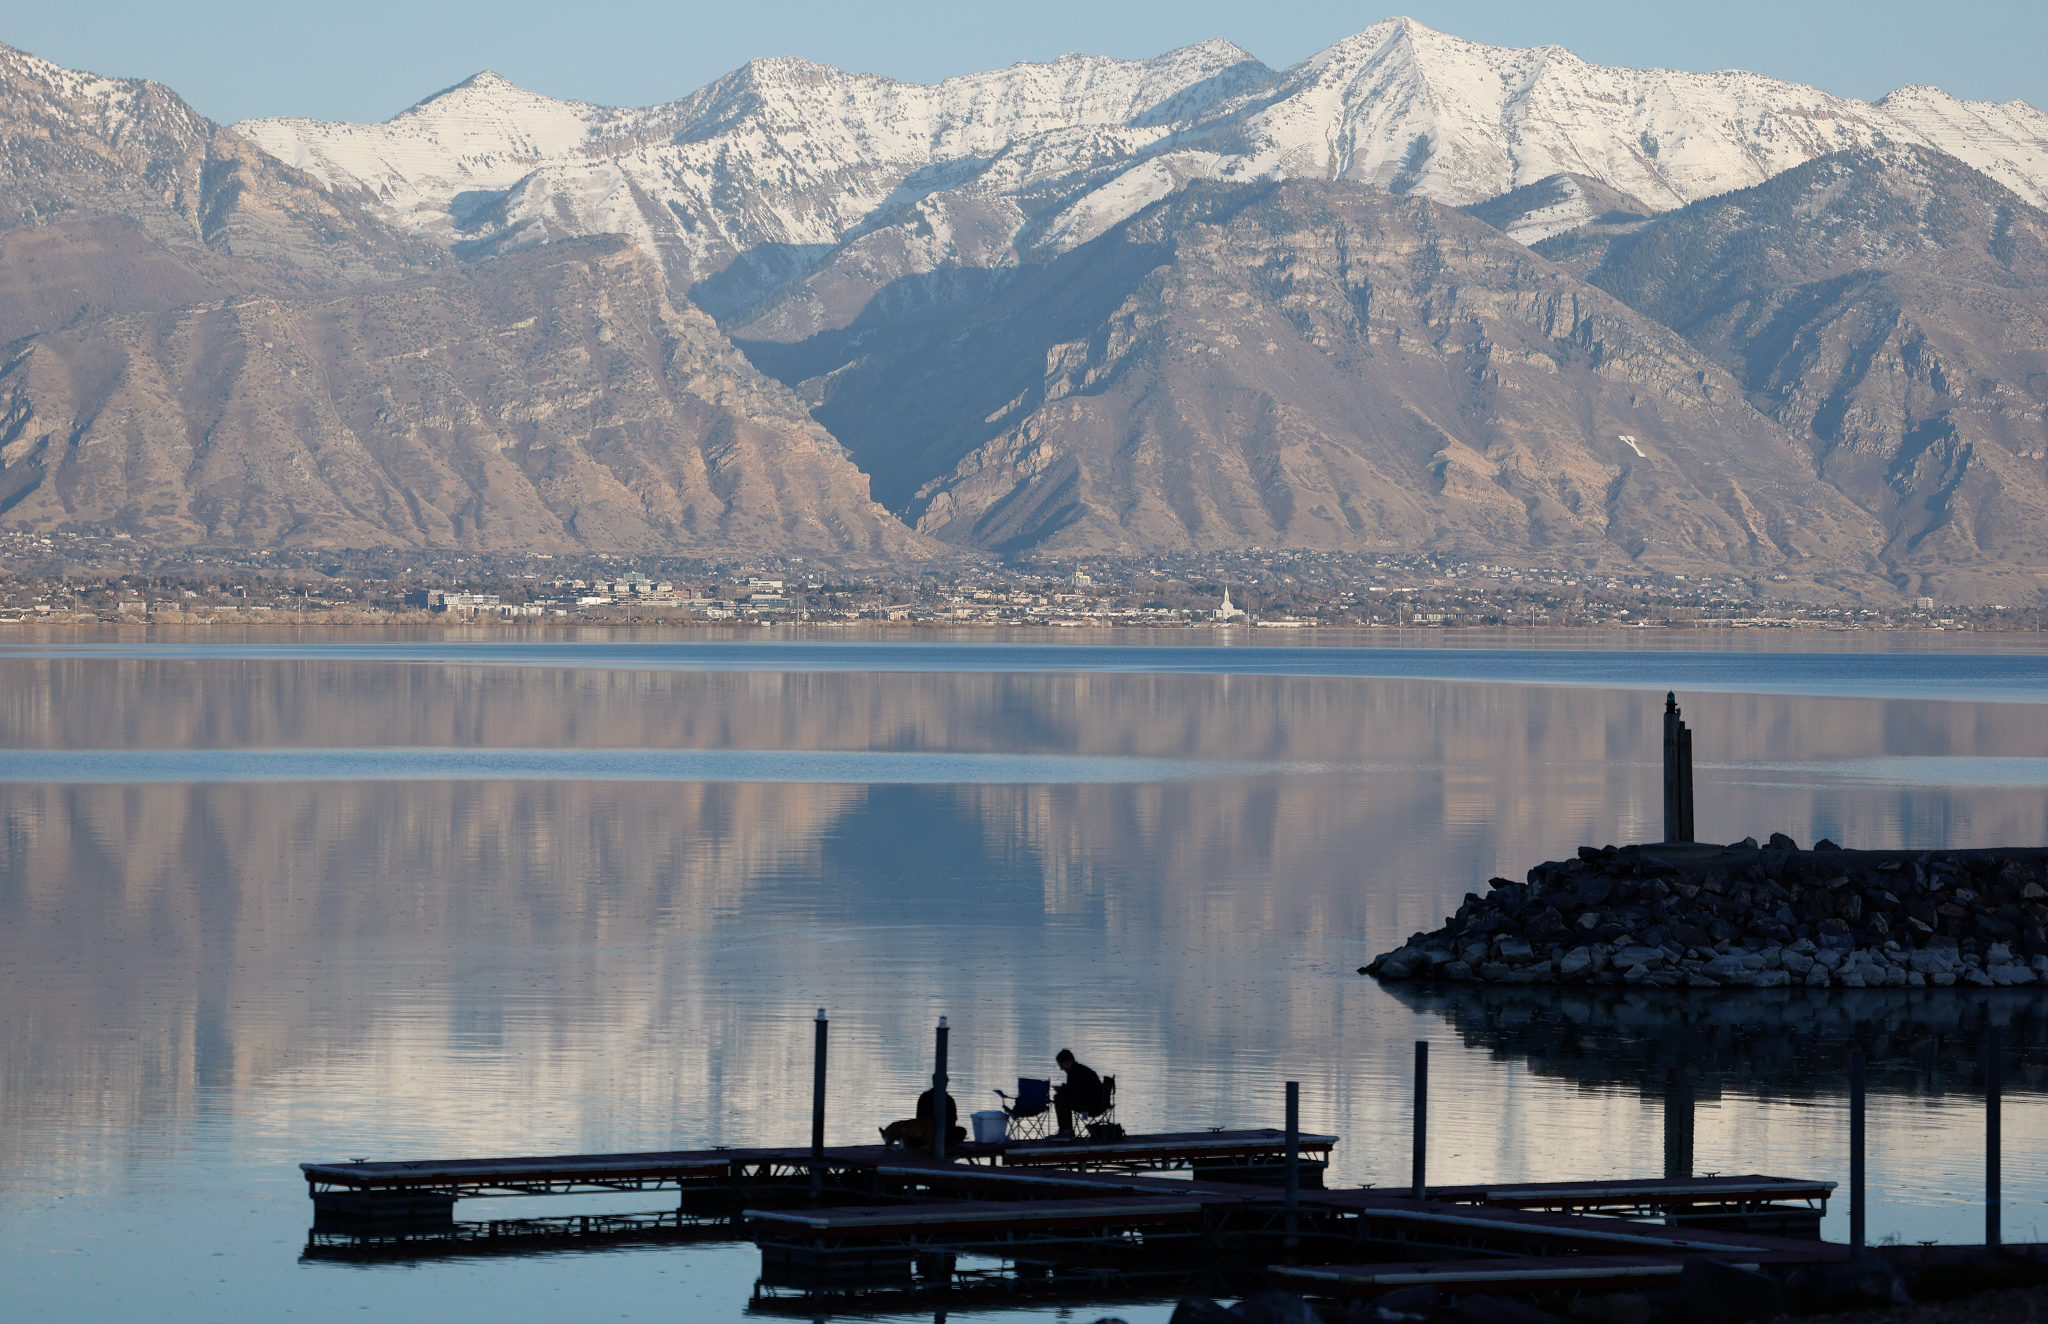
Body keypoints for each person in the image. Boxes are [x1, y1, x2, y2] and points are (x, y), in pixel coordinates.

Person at [1053, 1048, 1107, 1138]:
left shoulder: (1075, 1073)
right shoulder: (1080, 1070)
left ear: (1067, 1063)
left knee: (1058, 1098)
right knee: (1062, 1098)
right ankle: (1067, 1131)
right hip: (1097, 1104)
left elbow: (1076, 1095)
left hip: (1091, 1107)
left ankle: (1066, 1131)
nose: (1061, 1069)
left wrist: (1061, 1090)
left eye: (1062, 1066)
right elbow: (1076, 1091)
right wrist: (1064, 1089)